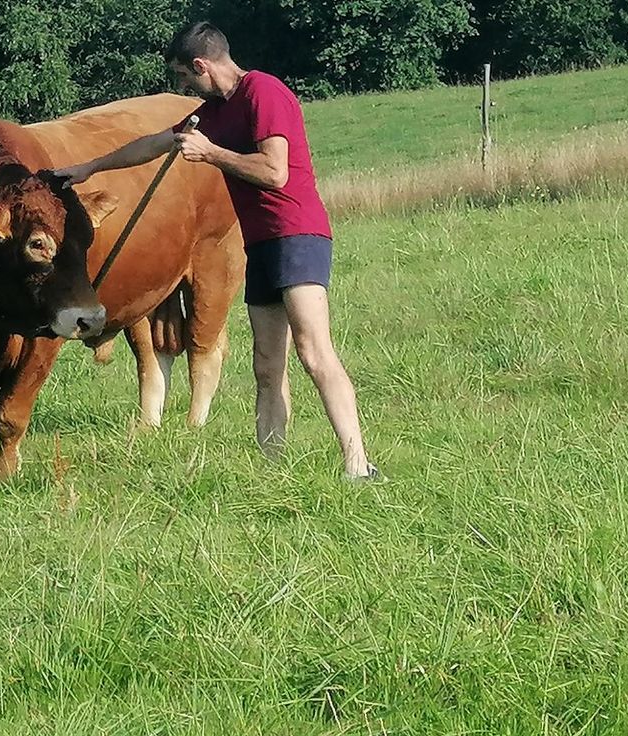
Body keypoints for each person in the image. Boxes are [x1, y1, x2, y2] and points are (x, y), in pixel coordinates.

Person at [52, 21, 382, 481]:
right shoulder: (214, 111)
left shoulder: (263, 93)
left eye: (185, 78)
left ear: (202, 65)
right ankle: (273, 472)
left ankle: (357, 464)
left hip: (297, 235)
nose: (184, 88)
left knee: (312, 351)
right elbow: (151, 145)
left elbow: (275, 173)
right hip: (261, 244)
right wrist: (89, 168)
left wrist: (211, 154)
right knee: (267, 364)